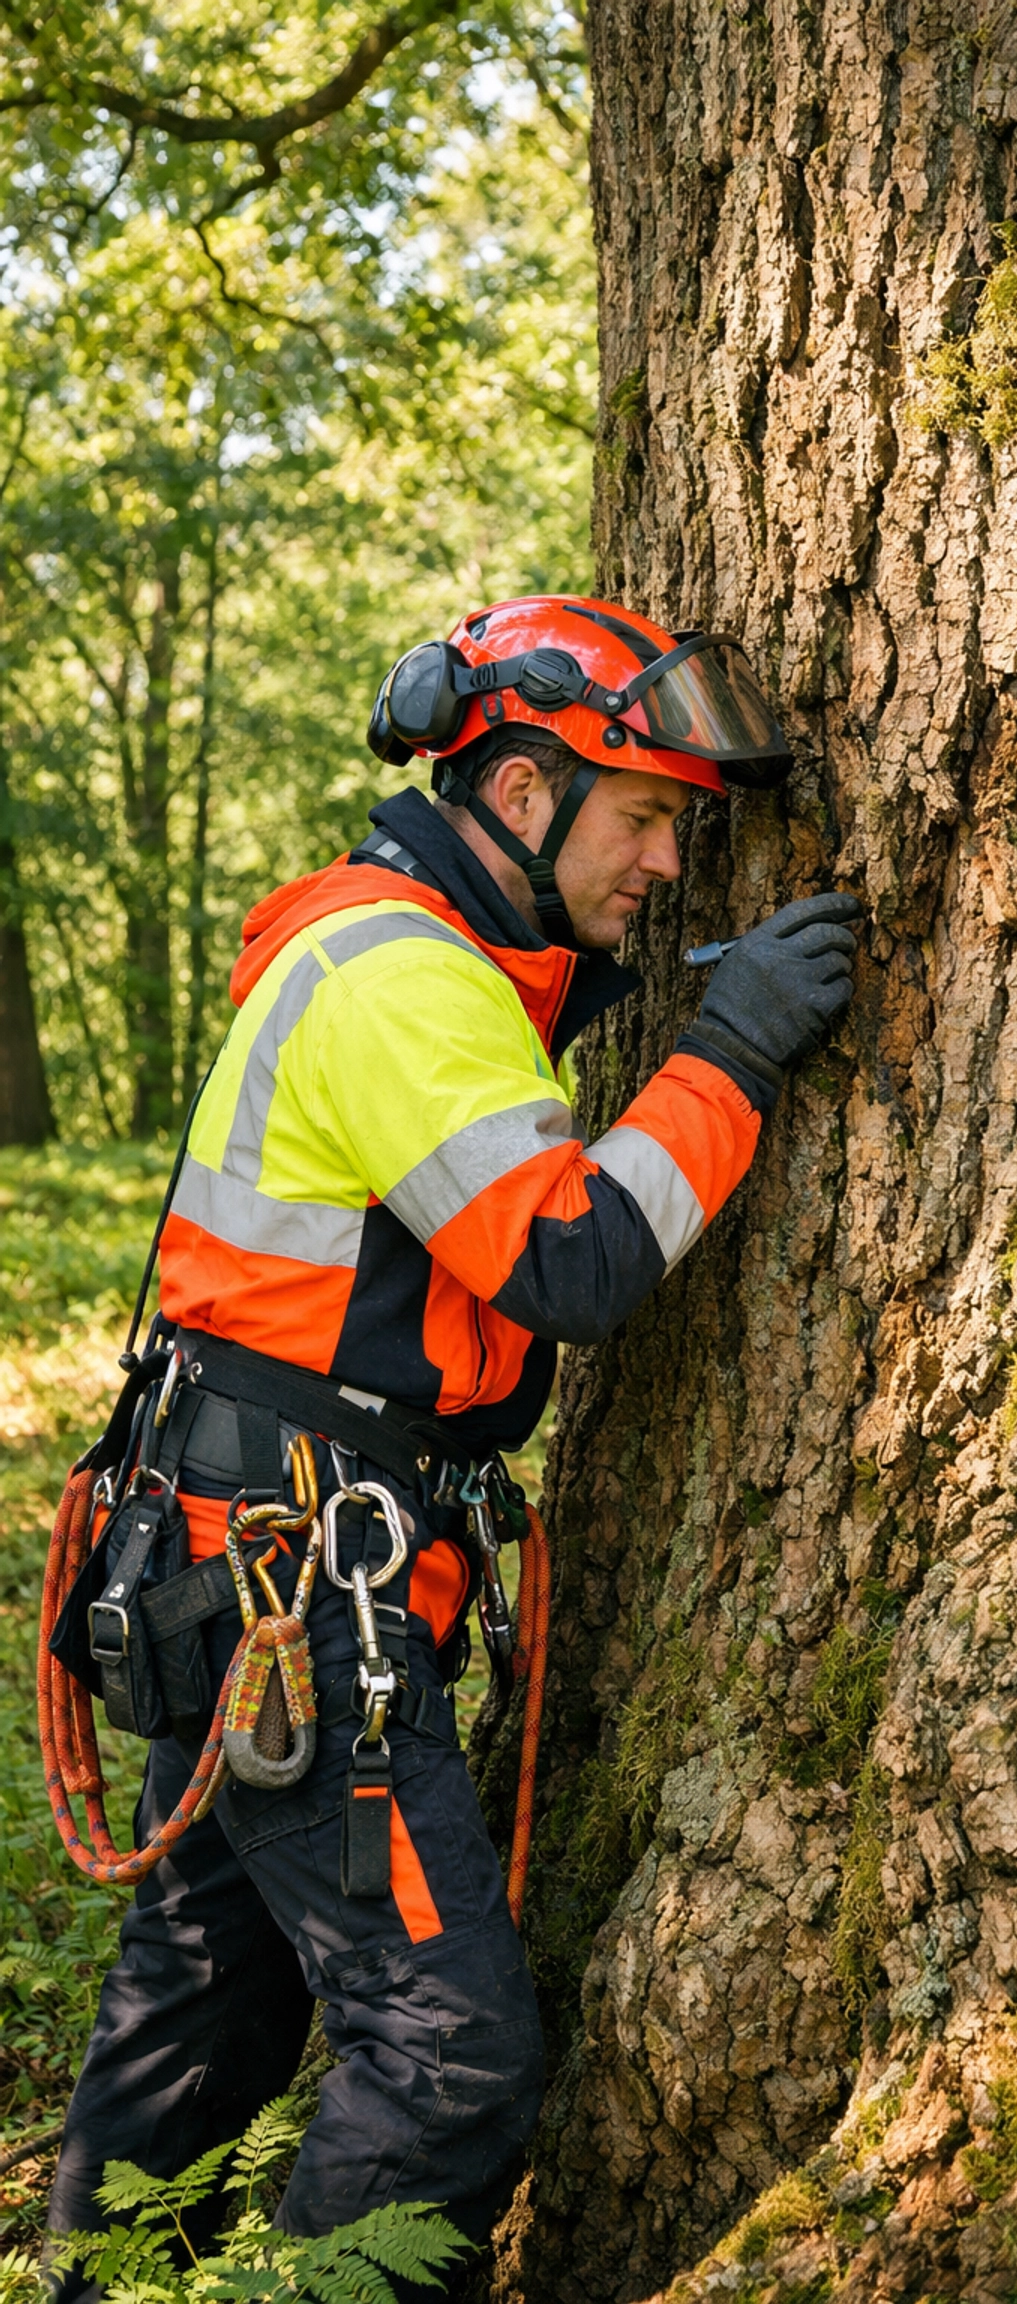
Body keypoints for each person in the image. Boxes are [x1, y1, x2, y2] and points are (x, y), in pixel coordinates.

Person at [45, 595, 859, 2280]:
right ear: (512, 796)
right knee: (453, 2069)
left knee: (198, 2017)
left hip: (241, 1547)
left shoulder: (403, 952)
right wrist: (732, 1051)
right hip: (289, 1579)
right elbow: (570, 1259)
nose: (662, 864)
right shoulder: (404, 977)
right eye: (639, 818)